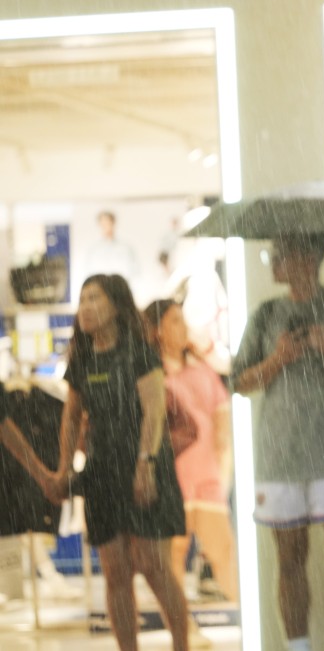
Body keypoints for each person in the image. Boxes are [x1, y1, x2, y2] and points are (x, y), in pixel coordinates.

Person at [2, 274, 189, 651]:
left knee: (153, 566)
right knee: (115, 572)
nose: (85, 307)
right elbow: (72, 416)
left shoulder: (139, 351)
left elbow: (154, 411)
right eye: (82, 300)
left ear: (116, 306)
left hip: (145, 467)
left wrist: (145, 462)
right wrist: (64, 468)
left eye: (94, 299)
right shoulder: (83, 358)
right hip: (102, 472)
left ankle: (182, 646)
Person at [231, 234, 324, 651]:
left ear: (310, 256)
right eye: (272, 254)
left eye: (279, 253)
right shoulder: (265, 315)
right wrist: (278, 359)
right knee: (288, 561)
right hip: (280, 455)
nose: (273, 261)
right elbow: (239, 382)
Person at [142, 299, 239, 606]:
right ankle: (183, 633)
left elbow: (221, 416)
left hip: (207, 477)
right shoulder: (150, 373)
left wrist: (224, 464)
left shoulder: (202, 369)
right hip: (172, 481)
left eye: (182, 319)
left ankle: (255, 626)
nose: (183, 327)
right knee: (173, 559)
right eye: (174, 321)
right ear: (157, 330)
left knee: (223, 554)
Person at [85, 210, 140, 286]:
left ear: (113, 223)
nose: (105, 226)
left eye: (107, 222)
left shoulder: (125, 248)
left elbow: (134, 271)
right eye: (103, 223)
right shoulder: (94, 250)